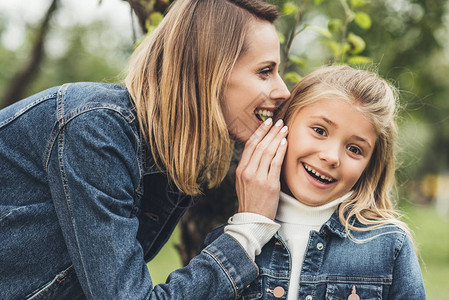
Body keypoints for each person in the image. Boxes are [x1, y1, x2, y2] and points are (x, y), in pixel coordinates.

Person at [0, 0, 291, 299]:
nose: (284, 91)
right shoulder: (96, 130)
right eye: (265, 71)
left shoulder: (170, 156)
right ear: (207, 71)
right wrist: (246, 234)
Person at [204, 65, 426, 299]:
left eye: (354, 149)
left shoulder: (388, 245)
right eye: (320, 130)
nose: (331, 157)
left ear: (369, 165)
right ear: (283, 126)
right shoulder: (231, 242)